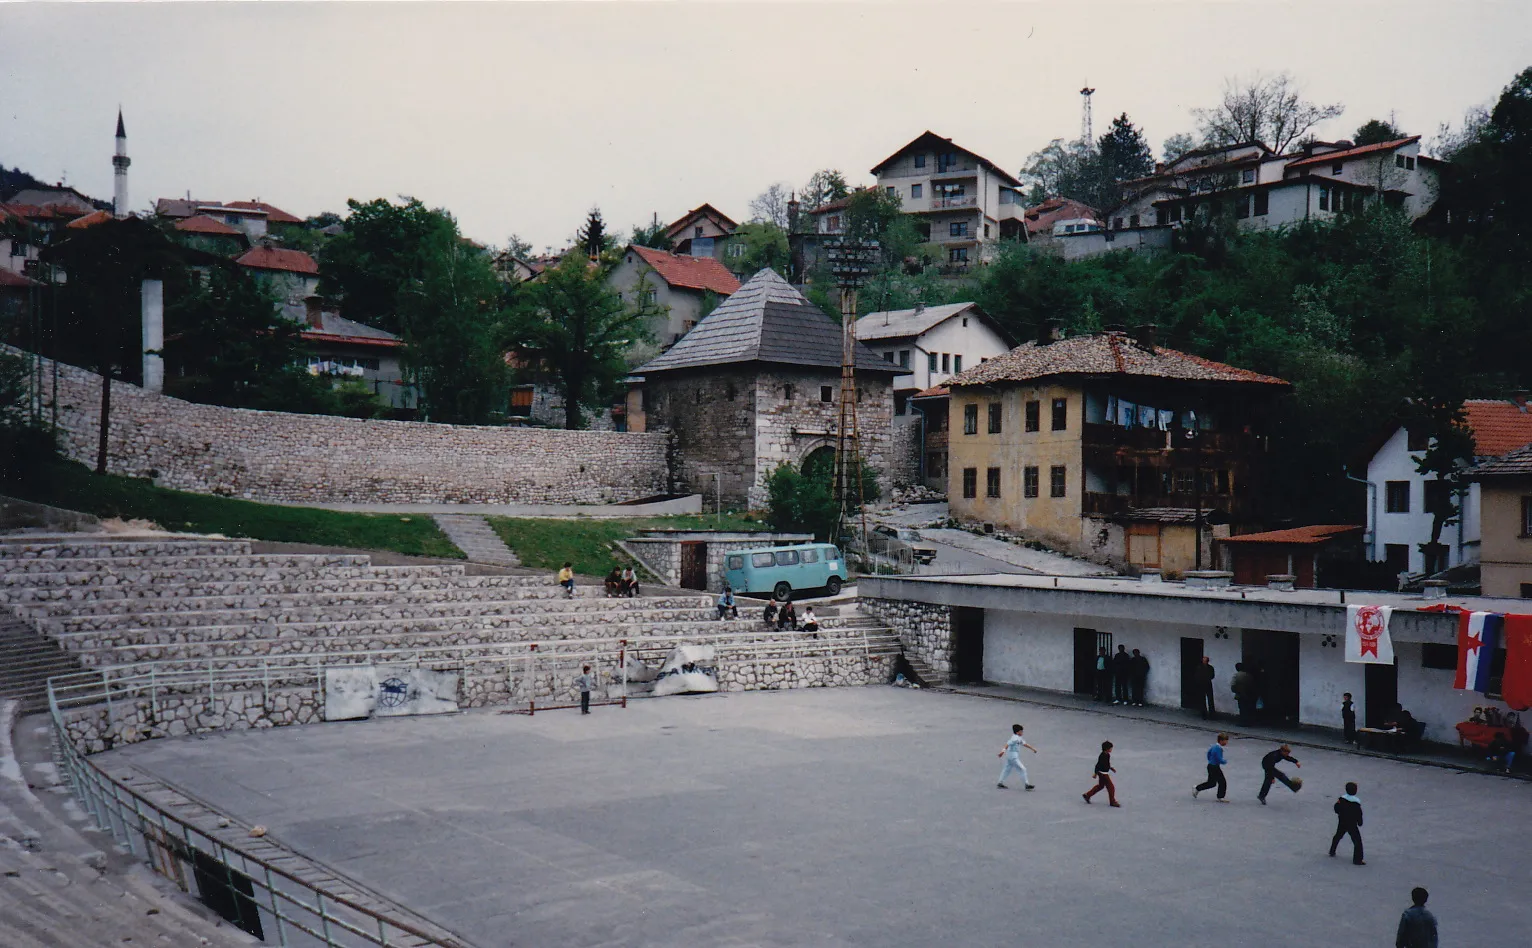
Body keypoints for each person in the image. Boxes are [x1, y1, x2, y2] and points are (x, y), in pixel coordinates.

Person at [1329, 781, 1365, 866]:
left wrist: (1340, 813)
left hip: (1342, 821)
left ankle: (1332, 851)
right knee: (1357, 841)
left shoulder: (1341, 799)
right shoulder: (1356, 803)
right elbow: (1359, 814)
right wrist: (1360, 822)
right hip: (1352, 824)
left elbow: (1336, 808)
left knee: (1338, 836)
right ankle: (1357, 860)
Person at [997, 724, 1038, 790]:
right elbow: (1007, 744)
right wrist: (1002, 751)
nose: (1022, 732)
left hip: (1010, 755)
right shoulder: (1015, 738)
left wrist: (1032, 748)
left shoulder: (1018, 738)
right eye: (1021, 731)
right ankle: (1026, 784)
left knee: (1007, 769)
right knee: (1022, 769)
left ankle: (1000, 782)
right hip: (1013, 756)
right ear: (1017, 732)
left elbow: (1024, 744)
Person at [1193, 733, 1230, 802]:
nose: (1226, 742)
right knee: (1222, 782)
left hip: (1211, 766)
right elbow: (1218, 758)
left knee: (1212, 783)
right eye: (1226, 741)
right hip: (1214, 767)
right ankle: (1220, 796)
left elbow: (1208, 753)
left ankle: (1197, 788)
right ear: (1221, 741)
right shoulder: (1218, 748)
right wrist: (1224, 761)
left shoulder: (1214, 746)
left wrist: (1210, 760)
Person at [1082, 740, 1119, 806]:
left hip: (1104, 773)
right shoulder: (1102, 756)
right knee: (1111, 787)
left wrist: (1111, 768)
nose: (1111, 749)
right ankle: (1112, 802)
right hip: (1103, 774)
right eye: (1110, 748)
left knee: (1101, 786)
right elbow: (1098, 765)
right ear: (1107, 749)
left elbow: (1107, 763)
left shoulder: (1107, 755)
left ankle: (1087, 795)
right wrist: (1095, 773)